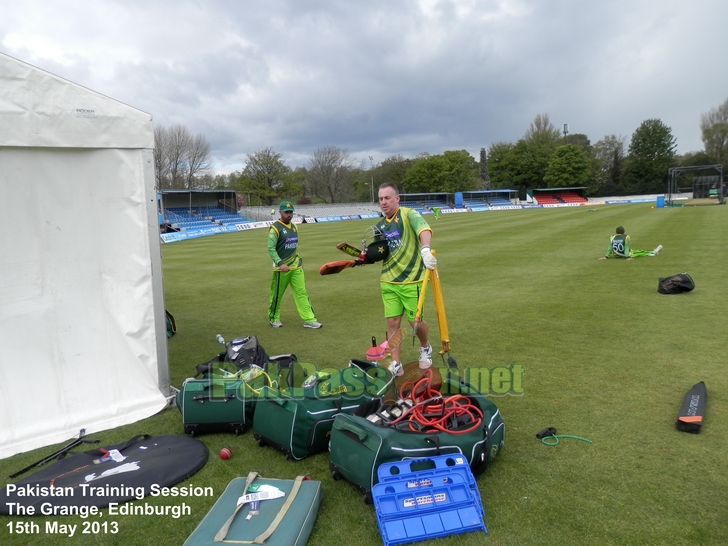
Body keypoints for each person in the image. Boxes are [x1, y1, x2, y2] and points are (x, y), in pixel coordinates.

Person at [374, 183, 437, 376]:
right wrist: (362, 258)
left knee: (415, 322)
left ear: (397, 199)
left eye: (387, 198)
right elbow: (379, 252)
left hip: (411, 279)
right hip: (388, 280)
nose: (383, 202)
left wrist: (425, 249)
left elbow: (424, 230)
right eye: (381, 199)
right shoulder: (379, 226)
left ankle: (425, 347)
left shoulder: (409, 214)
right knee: (392, 322)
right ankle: (396, 363)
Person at [267, 202, 321, 329]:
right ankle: (273, 317)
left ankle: (309, 319)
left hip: (296, 267)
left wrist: (299, 260)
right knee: (277, 295)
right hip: (282, 269)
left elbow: (294, 246)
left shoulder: (294, 227)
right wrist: (280, 263)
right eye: (286, 212)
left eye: (291, 212)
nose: (289, 214)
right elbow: (271, 249)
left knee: (302, 293)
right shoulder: (275, 228)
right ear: (280, 212)